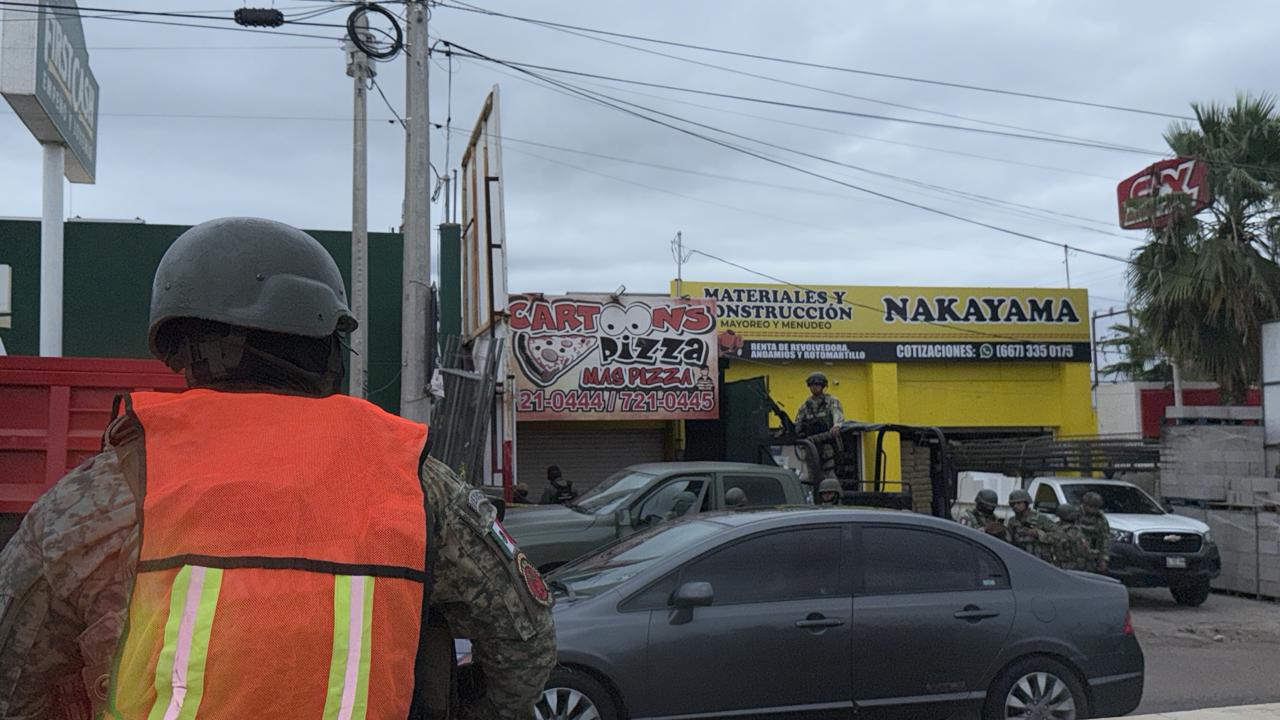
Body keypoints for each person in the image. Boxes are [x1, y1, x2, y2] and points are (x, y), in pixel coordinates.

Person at [0, 218, 555, 720]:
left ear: (186, 349)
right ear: (320, 340)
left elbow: (15, 675)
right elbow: (525, 642)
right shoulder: (413, 480)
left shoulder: (107, 491)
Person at [1005, 488, 1057, 562]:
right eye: (1012, 504)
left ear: (1026, 503)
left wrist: (1038, 533)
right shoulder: (1012, 521)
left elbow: (1058, 535)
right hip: (1019, 559)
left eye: (1019, 503)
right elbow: (1008, 541)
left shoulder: (1040, 519)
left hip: (1039, 560)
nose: (1015, 506)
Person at [794, 371, 845, 437]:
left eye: (817, 385)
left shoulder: (831, 401)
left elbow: (837, 414)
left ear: (823, 386)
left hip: (828, 438)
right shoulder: (806, 405)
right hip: (810, 441)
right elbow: (798, 422)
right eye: (812, 385)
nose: (814, 387)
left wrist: (837, 426)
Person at [1078, 491, 1112, 574]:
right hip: (1077, 556)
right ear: (1085, 505)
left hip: (1093, 556)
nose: (1093, 509)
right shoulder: (1076, 515)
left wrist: (1104, 559)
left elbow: (1105, 539)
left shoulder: (1101, 519)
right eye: (1091, 506)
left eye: (1096, 507)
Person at [1052, 504, 1093, 571]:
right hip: (1071, 567)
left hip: (1055, 564)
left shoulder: (1054, 527)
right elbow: (1084, 551)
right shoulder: (1076, 532)